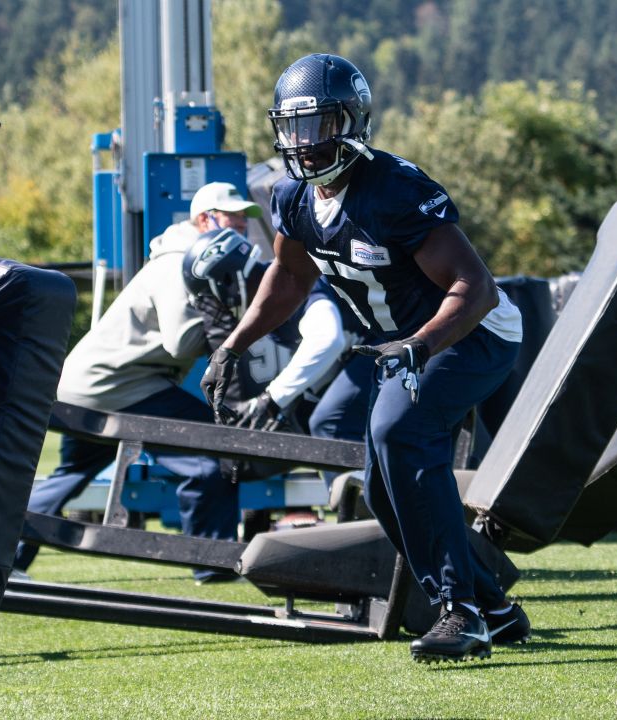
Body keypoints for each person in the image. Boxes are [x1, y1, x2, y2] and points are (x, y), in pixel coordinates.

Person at [201, 53, 531, 663]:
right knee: (383, 491)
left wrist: (418, 346)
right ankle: (495, 608)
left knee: (400, 432)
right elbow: (289, 279)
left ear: (352, 122)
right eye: (294, 127)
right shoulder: (293, 198)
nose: (305, 142)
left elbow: (476, 289)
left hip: (471, 335)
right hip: (393, 347)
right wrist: (231, 343)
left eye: (319, 124)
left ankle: (459, 612)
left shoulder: (396, 190)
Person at [13, 182, 263, 583]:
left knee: (68, 478)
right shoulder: (177, 264)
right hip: (118, 386)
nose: (241, 227)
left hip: (90, 384)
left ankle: (4, 558)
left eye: (243, 220)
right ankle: (212, 563)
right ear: (204, 220)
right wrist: (231, 327)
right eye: (231, 217)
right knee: (214, 451)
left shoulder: (185, 259)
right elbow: (180, 344)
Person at [184, 228, 372, 535]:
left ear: (228, 281)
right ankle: (361, 519)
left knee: (330, 423)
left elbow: (328, 339)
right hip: (364, 356)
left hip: (381, 350)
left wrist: (271, 398)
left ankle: (363, 527)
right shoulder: (271, 298)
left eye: (209, 298)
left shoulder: (292, 283)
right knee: (314, 417)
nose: (213, 309)